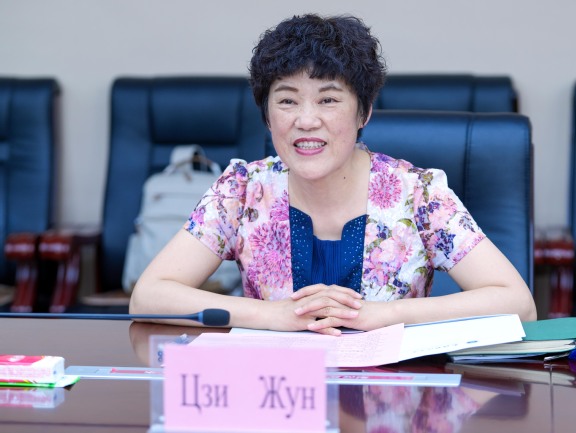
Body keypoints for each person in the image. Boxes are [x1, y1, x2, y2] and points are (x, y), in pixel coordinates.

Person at [129, 13, 536, 335]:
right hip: (280, 396)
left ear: (364, 113)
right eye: (287, 101)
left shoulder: (419, 194)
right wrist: (272, 316)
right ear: (267, 116)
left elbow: (518, 304)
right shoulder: (242, 191)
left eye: (328, 100)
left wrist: (385, 315)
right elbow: (148, 297)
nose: (306, 121)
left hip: (393, 398)